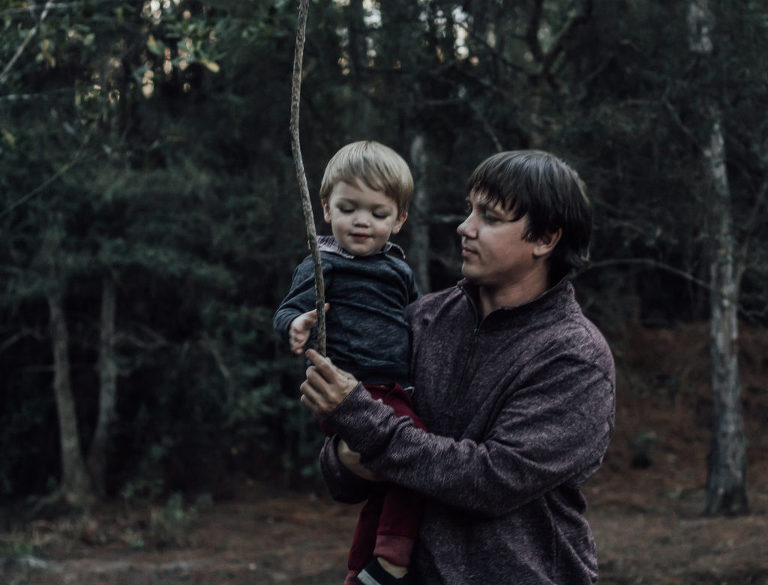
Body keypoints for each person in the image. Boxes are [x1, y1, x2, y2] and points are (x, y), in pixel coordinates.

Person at [300, 150, 616, 584]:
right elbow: (347, 472)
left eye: (490, 217)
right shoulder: (421, 318)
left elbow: (491, 480)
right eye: (470, 210)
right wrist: (342, 456)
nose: (465, 226)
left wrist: (363, 423)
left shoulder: (574, 356)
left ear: (544, 239)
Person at [273, 141, 424, 585]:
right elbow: (285, 311)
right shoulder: (325, 263)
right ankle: (394, 558)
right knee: (417, 456)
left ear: (398, 221)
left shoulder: (399, 271)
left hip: (396, 389)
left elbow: (415, 322)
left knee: (391, 481)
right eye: (349, 208)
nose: (362, 221)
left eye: (378, 213)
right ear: (326, 208)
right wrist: (297, 324)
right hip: (351, 389)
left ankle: (361, 571)